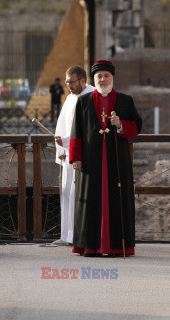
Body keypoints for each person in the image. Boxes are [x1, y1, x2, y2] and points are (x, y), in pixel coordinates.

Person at [69, 60, 142, 257]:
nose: (102, 79)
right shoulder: (83, 101)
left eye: (106, 76)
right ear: (94, 79)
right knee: (91, 200)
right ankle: (90, 246)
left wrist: (120, 125)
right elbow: (76, 131)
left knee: (116, 200)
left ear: (112, 78)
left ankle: (117, 246)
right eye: (99, 76)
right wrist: (76, 157)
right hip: (91, 161)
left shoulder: (125, 100)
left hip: (117, 161)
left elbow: (136, 127)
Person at [54, 66, 94, 245]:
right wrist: (61, 148)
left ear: (83, 80)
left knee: (80, 194)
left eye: (71, 82)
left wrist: (67, 140)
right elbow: (62, 124)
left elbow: (88, 128)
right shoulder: (70, 98)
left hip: (84, 155)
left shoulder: (93, 96)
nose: (68, 85)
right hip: (68, 154)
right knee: (66, 193)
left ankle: (79, 235)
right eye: (67, 81)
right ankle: (67, 235)